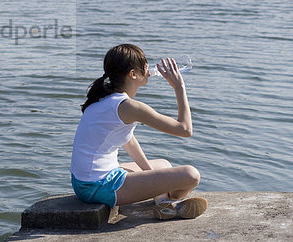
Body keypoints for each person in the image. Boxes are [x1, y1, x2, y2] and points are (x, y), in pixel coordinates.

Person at [70, 43, 207, 220]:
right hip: (99, 186)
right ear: (133, 74)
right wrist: (179, 87)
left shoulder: (102, 99)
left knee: (163, 165)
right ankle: (170, 200)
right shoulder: (129, 106)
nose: (148, 68)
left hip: (84, 183)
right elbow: (185, 129)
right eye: (144, 64)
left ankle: (163, 205)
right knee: (191, 175)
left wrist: (151, 176)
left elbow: (128, 140)